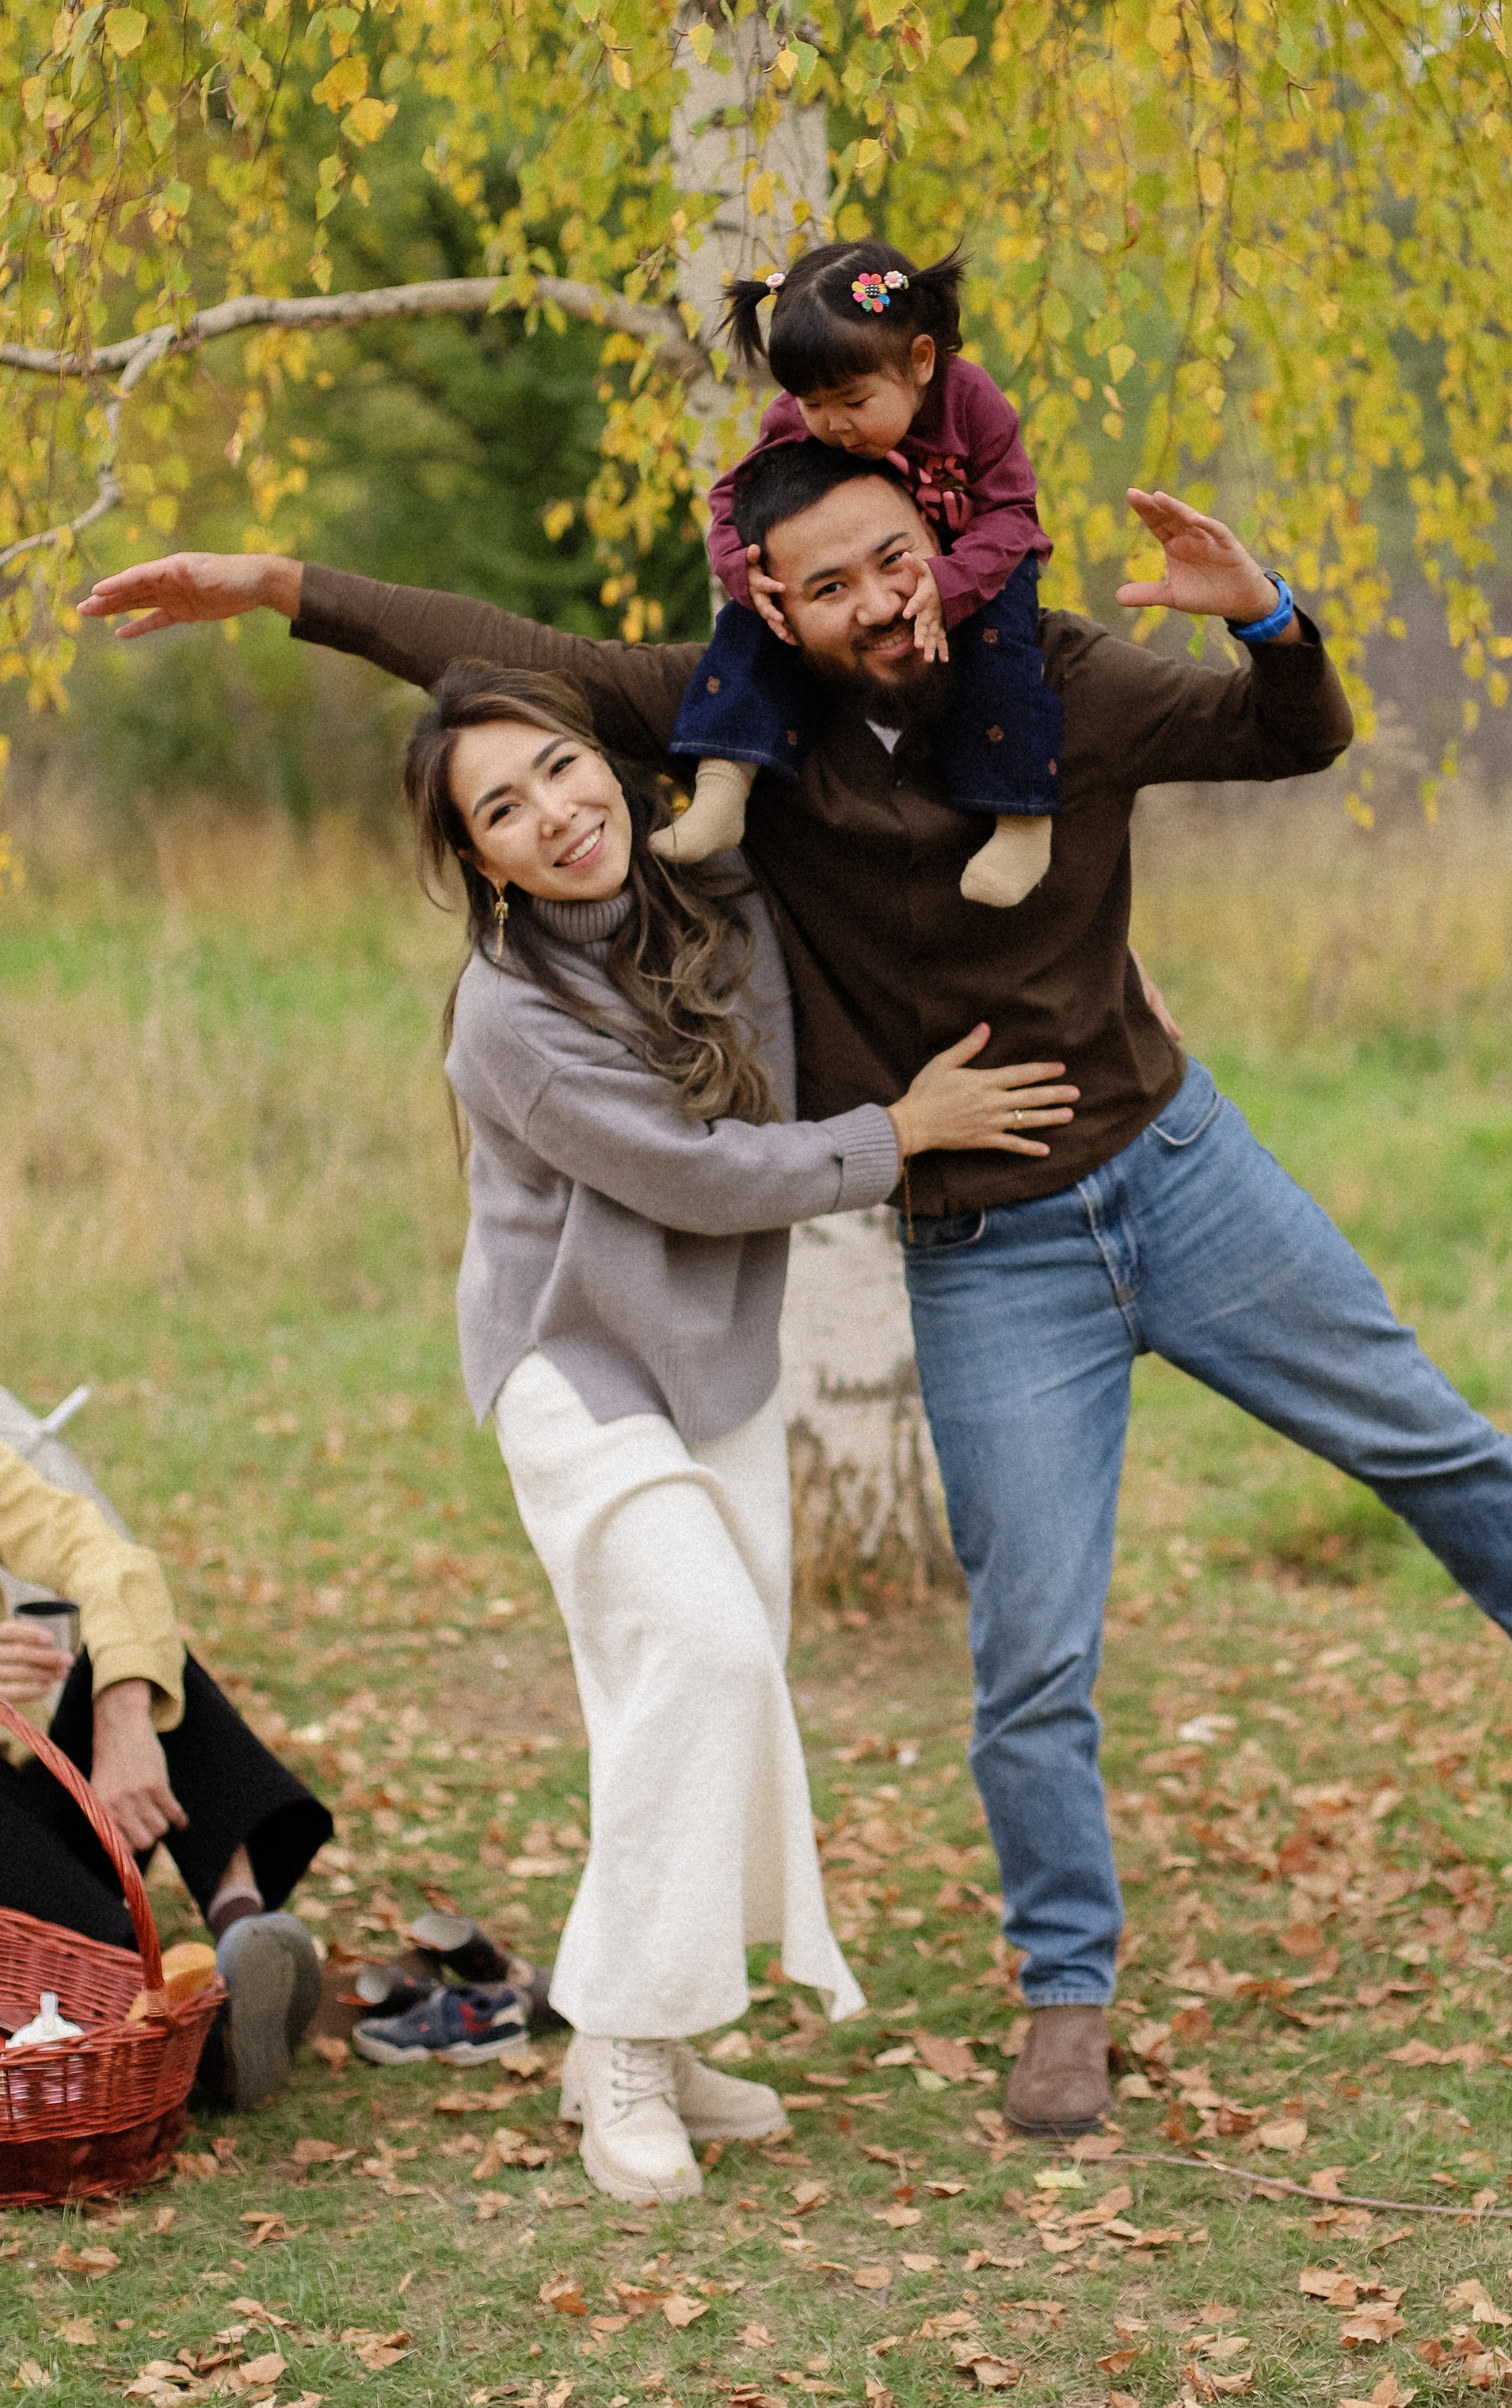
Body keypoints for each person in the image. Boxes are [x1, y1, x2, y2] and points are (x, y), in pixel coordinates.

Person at [82, 461, 1512, 2140]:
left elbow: (1291, 736)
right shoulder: (729, 730)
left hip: (1176, 1165)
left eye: (898, 559)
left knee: (1417, 1426)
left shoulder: (1058, 675)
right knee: (1028, 1647)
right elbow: (496, 657)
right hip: (985, 1249)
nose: (882, 601)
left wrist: (1261, 616)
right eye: (831, 584)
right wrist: (279, 587)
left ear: (939, 545)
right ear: (777, 608)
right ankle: (1062, 2000)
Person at [394, 659, 1078, 2198]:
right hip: (575, 1375)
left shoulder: (721, 893)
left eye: (560, 771)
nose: (555, 815)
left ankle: (654, 2030)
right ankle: (622, 2047)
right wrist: (896, 1139)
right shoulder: (506, 1016)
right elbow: (698, 1172)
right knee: (698, 1659)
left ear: (610, 763)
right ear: (479, 861)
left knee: (698, 1696)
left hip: (716, 1360)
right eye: (502, 809)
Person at [0, 1408, 330, 2109]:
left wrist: (123, 1712)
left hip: (28, 1816)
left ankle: (243, 1939)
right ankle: (174, 2036)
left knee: (137, 1657)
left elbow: (106, 1556)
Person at [667, 238, 1061, 910]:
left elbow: (1013, 512)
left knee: (1004, 652)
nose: (833, 426)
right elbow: (735, 498)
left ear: (919, 361)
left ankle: (1022, 819)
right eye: (814, 405)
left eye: (852, 401)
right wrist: (742, 570)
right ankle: (724, 778)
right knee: (757, 613)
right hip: (861, 567)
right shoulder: (797, 419)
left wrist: (954, 578)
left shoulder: (972, 404)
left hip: (982, 558)